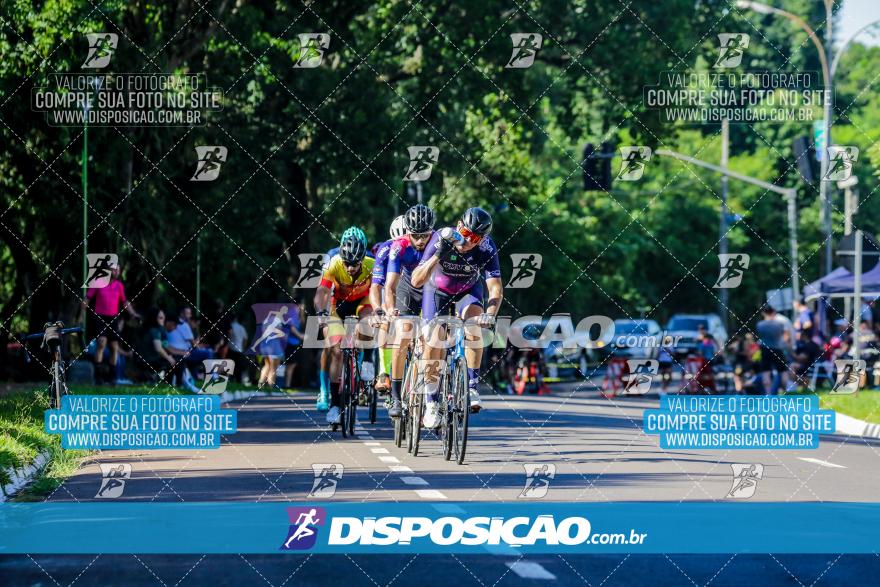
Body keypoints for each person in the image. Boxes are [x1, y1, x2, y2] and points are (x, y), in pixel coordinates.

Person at [411, 207, 503, 428]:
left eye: (473, 237)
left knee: (475, 324)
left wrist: (490, 314)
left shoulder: (486, 248)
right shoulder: (441, 237)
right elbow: (416, 280)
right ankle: (431, 403)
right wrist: (438, 254)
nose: (466, 239)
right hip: (437, 291)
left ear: (482, 239)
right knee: (434, 339)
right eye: (463, 231)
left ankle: (471, 385)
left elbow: (495, 289)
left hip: (467, 291)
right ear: (458, 225)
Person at [314, 227, 376, 425]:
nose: (350, 268)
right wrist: (321, 313)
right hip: (337, 304)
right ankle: (334, 404)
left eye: (355, 264)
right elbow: (323, 290)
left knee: (367, 322)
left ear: (362, 258)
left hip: (362, 301)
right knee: (337, 350)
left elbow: (378, 291)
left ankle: (367, 359)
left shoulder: (372, 264)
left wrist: (380, 311)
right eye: (347, 263)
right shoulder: (333, 263)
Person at [382, 204, 436, 418]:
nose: (421, 240)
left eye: (425, 235)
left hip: (432, 290)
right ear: (408, 232)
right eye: (416, 235)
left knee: (433, 340)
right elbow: (390, 286)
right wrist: (390, 308)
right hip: (408, 289)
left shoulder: (438, 242)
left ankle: (430, 396)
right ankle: (396, 397)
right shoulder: (399, 247)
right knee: (404, 333)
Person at [368, 215, 408, 397]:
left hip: (412, 291)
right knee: (385, 317)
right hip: (390, 290)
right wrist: (378, 310)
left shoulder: (421, 247)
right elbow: (376, 285)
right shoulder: (385, 249)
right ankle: (384, 372)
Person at [82, 263, 141, 383]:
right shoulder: (98, 282)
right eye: (114, 270)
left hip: (113, 318)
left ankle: (112, 377)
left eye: (118, 270)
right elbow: (87, 299)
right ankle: (98, 378)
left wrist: (133, 314)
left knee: (114, 347)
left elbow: (125, 302)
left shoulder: (119, 285)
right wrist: (81, 315)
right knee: (102, 343)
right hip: (100, 317)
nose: (117, 272)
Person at [756, 305, 789, 394]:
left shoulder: (760, 325)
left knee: (766, 373)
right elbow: (784, 337)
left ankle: (768, 395)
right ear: (773, 312)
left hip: (765, 350)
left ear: (763, 313)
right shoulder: (779, 324)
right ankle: (787, 393)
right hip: (778, 349)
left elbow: (760, 337)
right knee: (783, 372)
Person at [137, 307, 176, 378]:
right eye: (160, 317)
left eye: (164, 317)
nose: (163, 320)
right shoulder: (154, 330)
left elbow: (164, 346)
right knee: (176, 360)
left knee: (175, 359)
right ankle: (179, 383)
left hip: (142, 359)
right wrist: (168, 358)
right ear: (154, 318)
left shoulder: (148, 329)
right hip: (148, 359)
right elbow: (158, 348)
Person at [284, 300, 306, 389]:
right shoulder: (292, 314)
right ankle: (287, 385)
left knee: (292, 365)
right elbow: (292, 328)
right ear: (298, 305)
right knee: (290, 365)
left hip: (294, 343)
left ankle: (287, 384)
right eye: (302, 306)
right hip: (290, 343)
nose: (304, 308)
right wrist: (301, 336)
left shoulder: (298, 316)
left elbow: (301, 323)